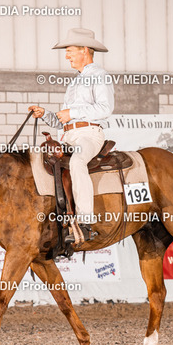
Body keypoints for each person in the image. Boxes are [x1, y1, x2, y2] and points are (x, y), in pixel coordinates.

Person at [29, 28, 114, 243]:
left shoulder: (100, 75)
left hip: (89, 134)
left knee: (77, 161)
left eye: (70, 51)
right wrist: (46, 114)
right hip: (68, 135)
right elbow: (64, 120)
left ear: (84, 50)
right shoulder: (75, 82)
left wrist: (72, 113)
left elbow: (105, 108)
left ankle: (85, 222)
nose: (67, 56)